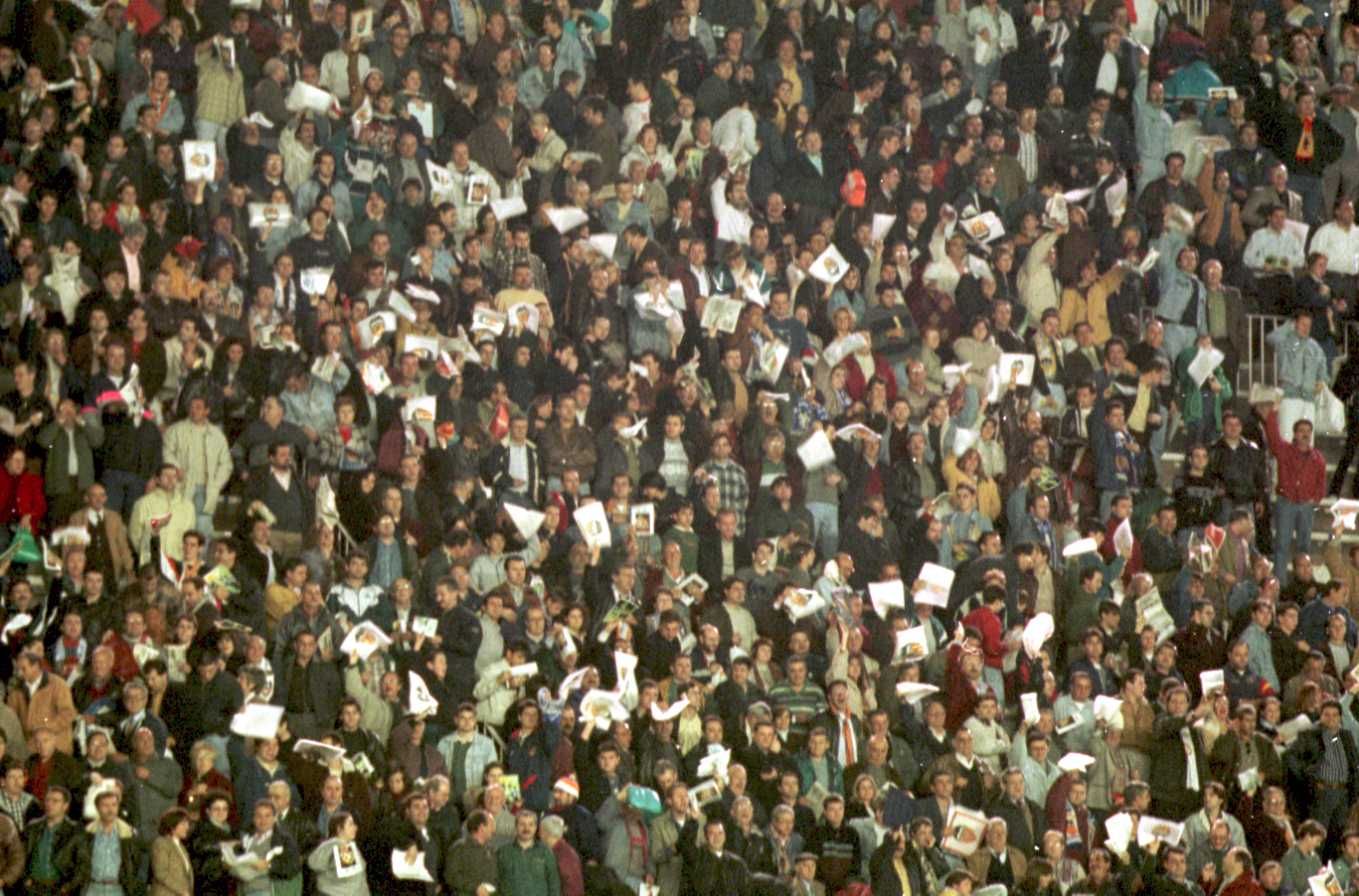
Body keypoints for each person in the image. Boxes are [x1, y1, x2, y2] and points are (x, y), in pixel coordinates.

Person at [308, 811, 371, 896]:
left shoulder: (328, 847)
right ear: (339, 829)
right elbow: (352, 882)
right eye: (351, 824)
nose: (355, 828)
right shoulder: (343, 847)